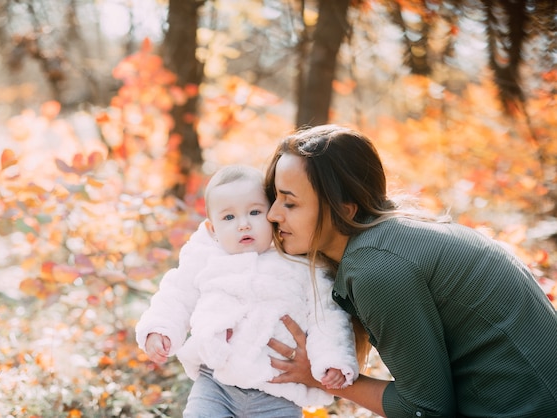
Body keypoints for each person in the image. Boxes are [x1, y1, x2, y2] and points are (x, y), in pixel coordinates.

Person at [263, 124, 557, 418]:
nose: (273, 214)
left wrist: (319, 378)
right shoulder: (394, 237)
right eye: (275, 198)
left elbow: (426, 411)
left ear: (345, 210)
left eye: (290, 203)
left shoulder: (376, 270)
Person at [135, 164, 360, 417]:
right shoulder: (206, 256)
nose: (243, 224)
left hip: (278, 388)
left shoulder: (298, 261)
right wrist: (160, 328)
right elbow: (177, 294)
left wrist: (332, 358)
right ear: (213, 229)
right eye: (229, 217)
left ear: (271, 214)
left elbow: (326, 313)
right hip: (216, 382)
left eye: (254, 212)